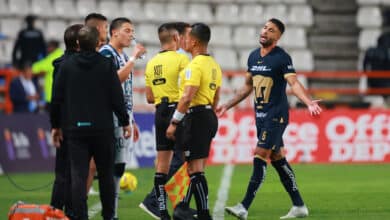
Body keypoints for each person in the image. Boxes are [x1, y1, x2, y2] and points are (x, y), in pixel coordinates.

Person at [219, 18, 322, 220]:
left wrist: (308, 102)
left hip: (276, 115)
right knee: (277, 158)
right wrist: (227, 104)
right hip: (260, 116)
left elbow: (294, 83)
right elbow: (248, 86)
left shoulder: (282, 58)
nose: (265, 31)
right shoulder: (253, 56)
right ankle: (299, 206)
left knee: (260, 154)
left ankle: (243, 206)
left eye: (271, 30)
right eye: (265, 27)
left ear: (278, 36)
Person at [50, 26, 131, 220]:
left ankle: (79, 216)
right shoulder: (106, 64)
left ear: (78, 43)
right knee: (106, 176)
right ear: (97, 43)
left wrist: (55, 126)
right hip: (102, 129)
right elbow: (116, 96)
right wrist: (125, 121)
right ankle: (109, 216)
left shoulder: (67, 65)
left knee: (78, 175)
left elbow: (56, 98)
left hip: (75, 130)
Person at [139, 21, 196, 220]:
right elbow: (188, 91)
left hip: (159, 111)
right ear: (175, 38)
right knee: (186, 160)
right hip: (176, 112)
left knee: (162, 164)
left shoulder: (152, 62)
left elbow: (148, 97)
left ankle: (162, 210)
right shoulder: (182, 60)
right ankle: (177, 205)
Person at [166, 22, 222, 220]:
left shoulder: (195, 65)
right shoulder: (214, 65)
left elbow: (187, 96)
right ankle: (190, 209)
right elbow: (216, 97)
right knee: (194, 168)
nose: (185, 41)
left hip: (196, 116)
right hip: (207, 116)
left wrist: (174, 122)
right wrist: (208, 115)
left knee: (195, 170)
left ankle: (204, 214)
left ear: (195, 42)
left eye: (188, 38)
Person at [99, 17, 146, 220]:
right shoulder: (106, 53)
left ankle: (112, 213)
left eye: (132, 31)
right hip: (108, 119)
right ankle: (109, 213)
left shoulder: (123, 55)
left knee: (119, 166)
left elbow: (125, 91)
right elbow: (113, 80)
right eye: (127, 30)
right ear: (114, 32)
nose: (131, 34)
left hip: (123, 118)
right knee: (109, 167)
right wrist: (134, 58)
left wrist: (131, 119)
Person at [49, 23, 83, 218]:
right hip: (76, 125)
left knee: (63, 173)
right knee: (71, 173)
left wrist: (55, 125)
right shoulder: (77, 65)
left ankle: (56, 211)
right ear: (79, 42)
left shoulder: (60, 64)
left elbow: (56, 99)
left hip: (65, 124)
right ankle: (66, 212)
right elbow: (58, 98)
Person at [84, 12, 109, 196]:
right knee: (89, 165)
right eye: (106, 27)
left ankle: (76, 208)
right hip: (92, 118)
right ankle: (77, 208)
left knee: (90, 165)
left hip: (83, 117)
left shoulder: (79, 54)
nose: (107, 31)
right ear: (99, 29)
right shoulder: (98, 57)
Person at [32, 40, 63, 111]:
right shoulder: (62, 55)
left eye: (48, 47)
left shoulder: (54, 57)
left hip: (52, 95)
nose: (47, 49)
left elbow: (35, 68)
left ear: (53, 47)